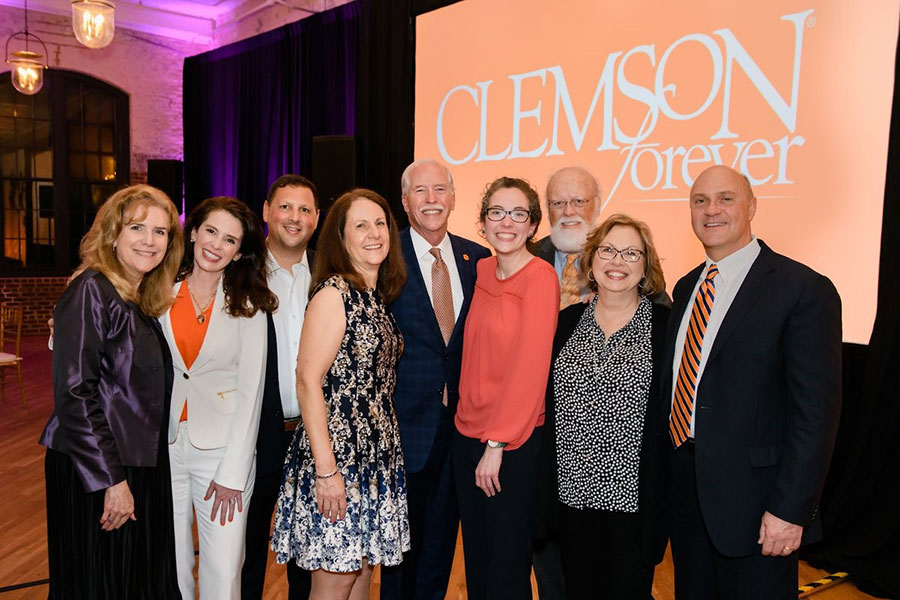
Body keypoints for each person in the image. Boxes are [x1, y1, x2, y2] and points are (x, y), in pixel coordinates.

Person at [662, 165, 842, 599]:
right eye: (700, 200)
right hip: (687, 496)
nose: (711, 210)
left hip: (758, 507)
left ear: (752, 207)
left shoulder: (802, 289)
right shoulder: (687, 287)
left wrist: (790, 509)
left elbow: (815, 414)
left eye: (725, 198)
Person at [39, 184, 184, 599]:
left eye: (160, 232)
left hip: (136, 461)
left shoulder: (135, 295)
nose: (149, 240)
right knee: (100, 585)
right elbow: (74, 392)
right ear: (112, 233)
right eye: (137, 227)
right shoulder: (91, 288)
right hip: (98, 467)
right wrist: (111, 481)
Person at [271, 189, 410, 600]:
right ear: (341, 237)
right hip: (338, 459)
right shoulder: (335, 294)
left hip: (376, 456)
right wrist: (327, 471)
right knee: (334, 584)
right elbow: (307, 380)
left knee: (362, 576)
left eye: (380, 223)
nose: (374, 234)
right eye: (360, 225)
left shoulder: (376, 297)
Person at [380, 158, 491, 600]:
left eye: (439, 190)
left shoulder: (477, 259)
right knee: (400, 554)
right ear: (405, 202)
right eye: (420, 191)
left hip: (462, 430)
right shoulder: (385, 256)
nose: (431, 199)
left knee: (442, 546)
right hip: (404, 426)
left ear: (453, 198)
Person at [547, 214, 670, 599]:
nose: (618, 262)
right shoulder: (566, 322)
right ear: (591, 259)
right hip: (571, 497)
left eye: (632, 253)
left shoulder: (667, 327)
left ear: (647, 265)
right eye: (609, 250)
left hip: (634, 501)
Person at [161, 196, 277, 600]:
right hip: (165, 448)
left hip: (223, 453)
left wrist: (234, 471)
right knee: (171, 565)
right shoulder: (157, 291)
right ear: (193, 232)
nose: (216, 244)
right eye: (210, 231)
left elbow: (252, 393)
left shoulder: (250, 303)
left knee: (224, 570)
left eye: (229, 239)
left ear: (240, 251)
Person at [453, 177, 559, 600]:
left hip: (508, 445)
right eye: (497, 212)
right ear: (483, 223)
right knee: (477, 560)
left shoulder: (540, 278)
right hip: (465, 434)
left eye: (519, 213)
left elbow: (530, 369)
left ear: (533, 225)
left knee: (507, 567)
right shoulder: (480, 271)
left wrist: (496, 444)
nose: (507, 222)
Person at [242, 174, 319, 600]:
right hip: (255, 437)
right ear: (267, 211)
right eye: (286, 207)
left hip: (313, 437)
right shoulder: (238, 273)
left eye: (305, 209)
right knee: (248, 550)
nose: (295, 217)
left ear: (317, 219)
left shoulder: (331, 275)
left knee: (308, 556)